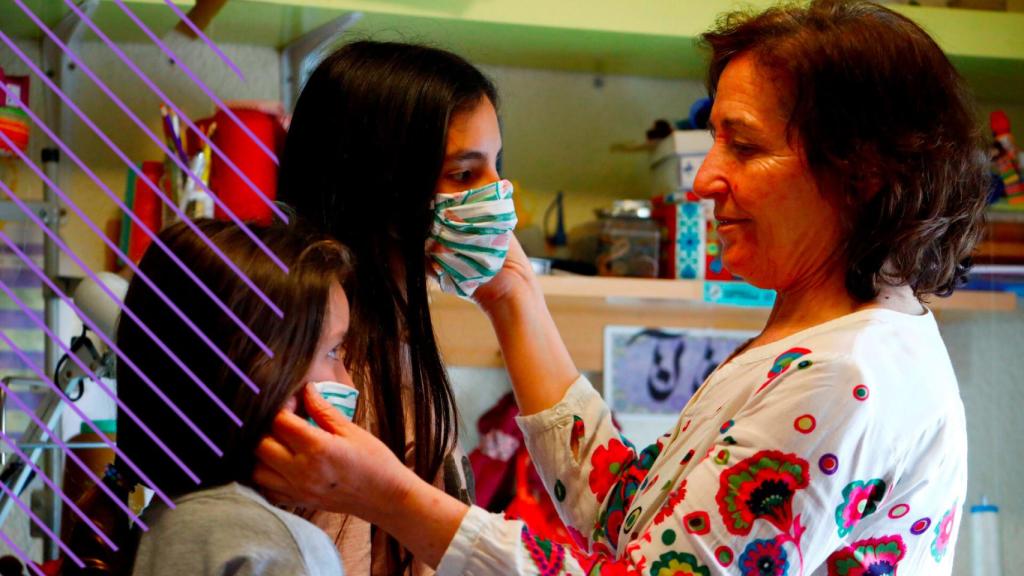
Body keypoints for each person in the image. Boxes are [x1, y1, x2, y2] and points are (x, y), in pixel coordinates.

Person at [255, 1, 987, 574]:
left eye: (745, 145)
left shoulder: (844, 380)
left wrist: (391, 496)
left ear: (858, 173)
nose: (703, 178)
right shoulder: (822, 343)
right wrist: (514, 295)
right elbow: (633, 513)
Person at [276, 41, 503, 574]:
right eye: (465, 175)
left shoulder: (393, 340)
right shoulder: (337, 374)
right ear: (381, 184)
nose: (499, 195)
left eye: (497, 166)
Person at [65, 219, 351, 576]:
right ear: (264, 376)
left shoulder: (161, 524)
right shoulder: (277, 549)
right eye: (334, 351)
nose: (347, 379)